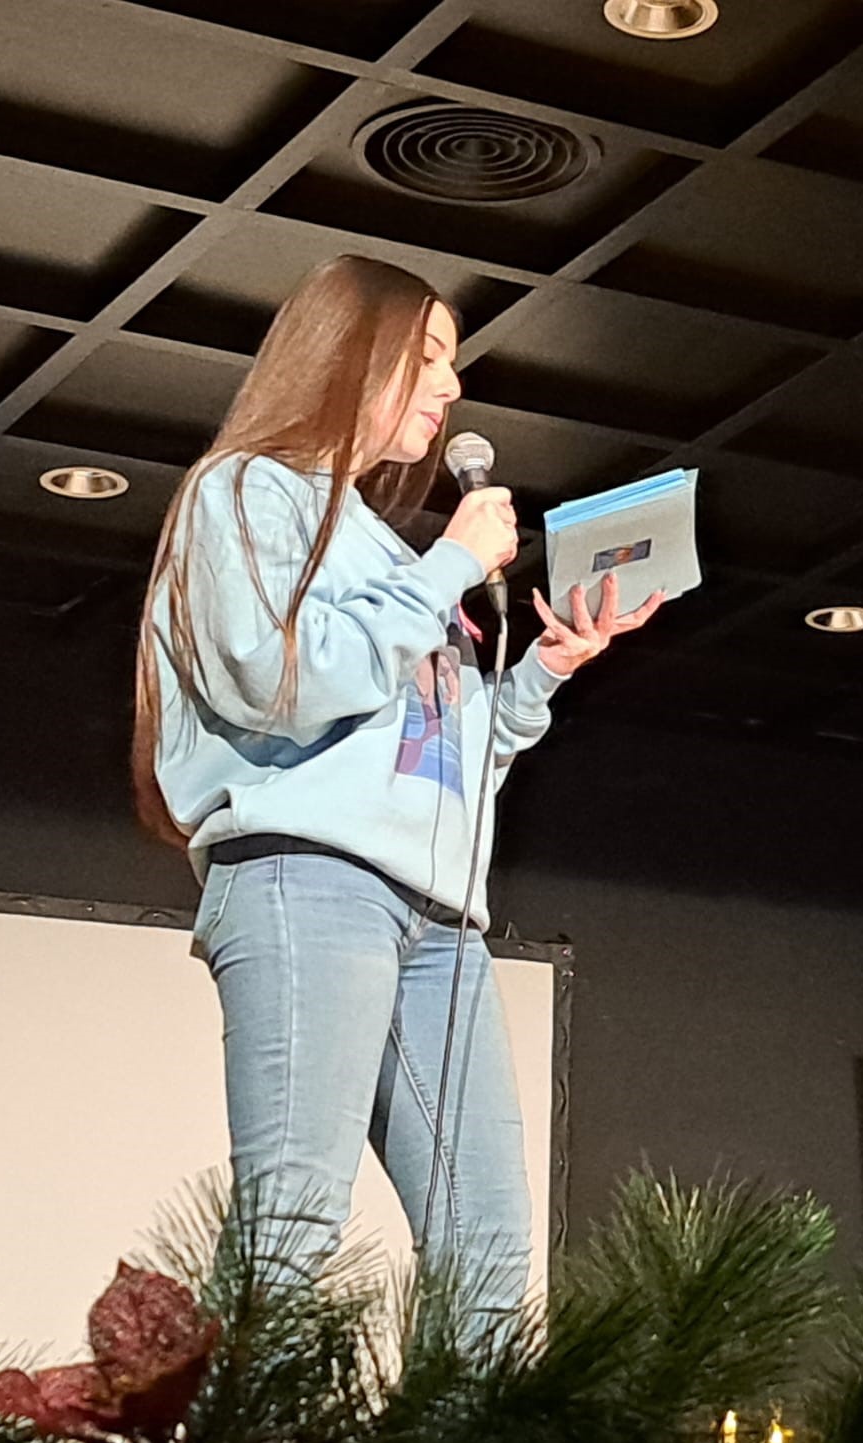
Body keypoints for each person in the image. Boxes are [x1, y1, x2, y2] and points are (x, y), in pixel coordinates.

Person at [132, 255, 659, 1324]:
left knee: (490, 1238)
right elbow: (286, 682)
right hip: (308, 878)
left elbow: (441, 767)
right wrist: (448, 568)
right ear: (347, 356)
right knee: (293, 1216)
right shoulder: (246, 492)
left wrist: (542, 673)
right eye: (427, 358)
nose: (449, 388)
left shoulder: (391, 548)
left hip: (438, 916)